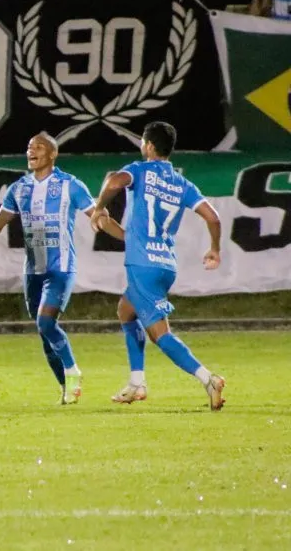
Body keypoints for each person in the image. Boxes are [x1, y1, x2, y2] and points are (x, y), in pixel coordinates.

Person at [0, 133, 119, 405]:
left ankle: (72, 371)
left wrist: (127, 236)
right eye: (28, 147)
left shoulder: (70, 185)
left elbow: (99, 217)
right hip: (33, 271)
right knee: (44, 333)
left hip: (61, 268)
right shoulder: (19, 188)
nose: (31, 151)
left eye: (38, 147)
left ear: (52, 154)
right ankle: (66, 389)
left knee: (46, 322)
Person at [89, 121, 226, 410]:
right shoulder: (181, 183)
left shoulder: (140, 170)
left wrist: (99, 208)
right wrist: (214, 249)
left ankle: (208, 379)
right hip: (164, 264)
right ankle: (136, 382)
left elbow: (114, 181)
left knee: (160, 335)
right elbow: (213, 218)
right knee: (126, 310)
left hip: (142, 265)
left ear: (149, 145)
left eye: (142, 141)